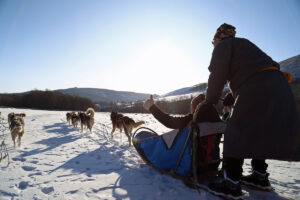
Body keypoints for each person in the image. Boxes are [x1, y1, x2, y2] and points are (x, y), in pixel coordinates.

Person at [204, 23, 300, 200]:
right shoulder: (244, 44)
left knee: (235, 129)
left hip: (258, 85)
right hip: (279, 86)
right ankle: (259, 176)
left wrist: (208, 101)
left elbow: (217, 74)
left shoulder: (224, 45)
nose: (213, 44)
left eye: (213, 41)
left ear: (219, 38)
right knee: (260, 130)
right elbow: (252, 70)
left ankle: (231, 183)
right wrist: (232, 97)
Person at [143, 93, 223, 178]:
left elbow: (168, 121)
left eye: (192, 108)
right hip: (212, 166)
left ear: (196, 108)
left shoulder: (193, 120)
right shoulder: (218, 124)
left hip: (194, 168)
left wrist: (152, 107)